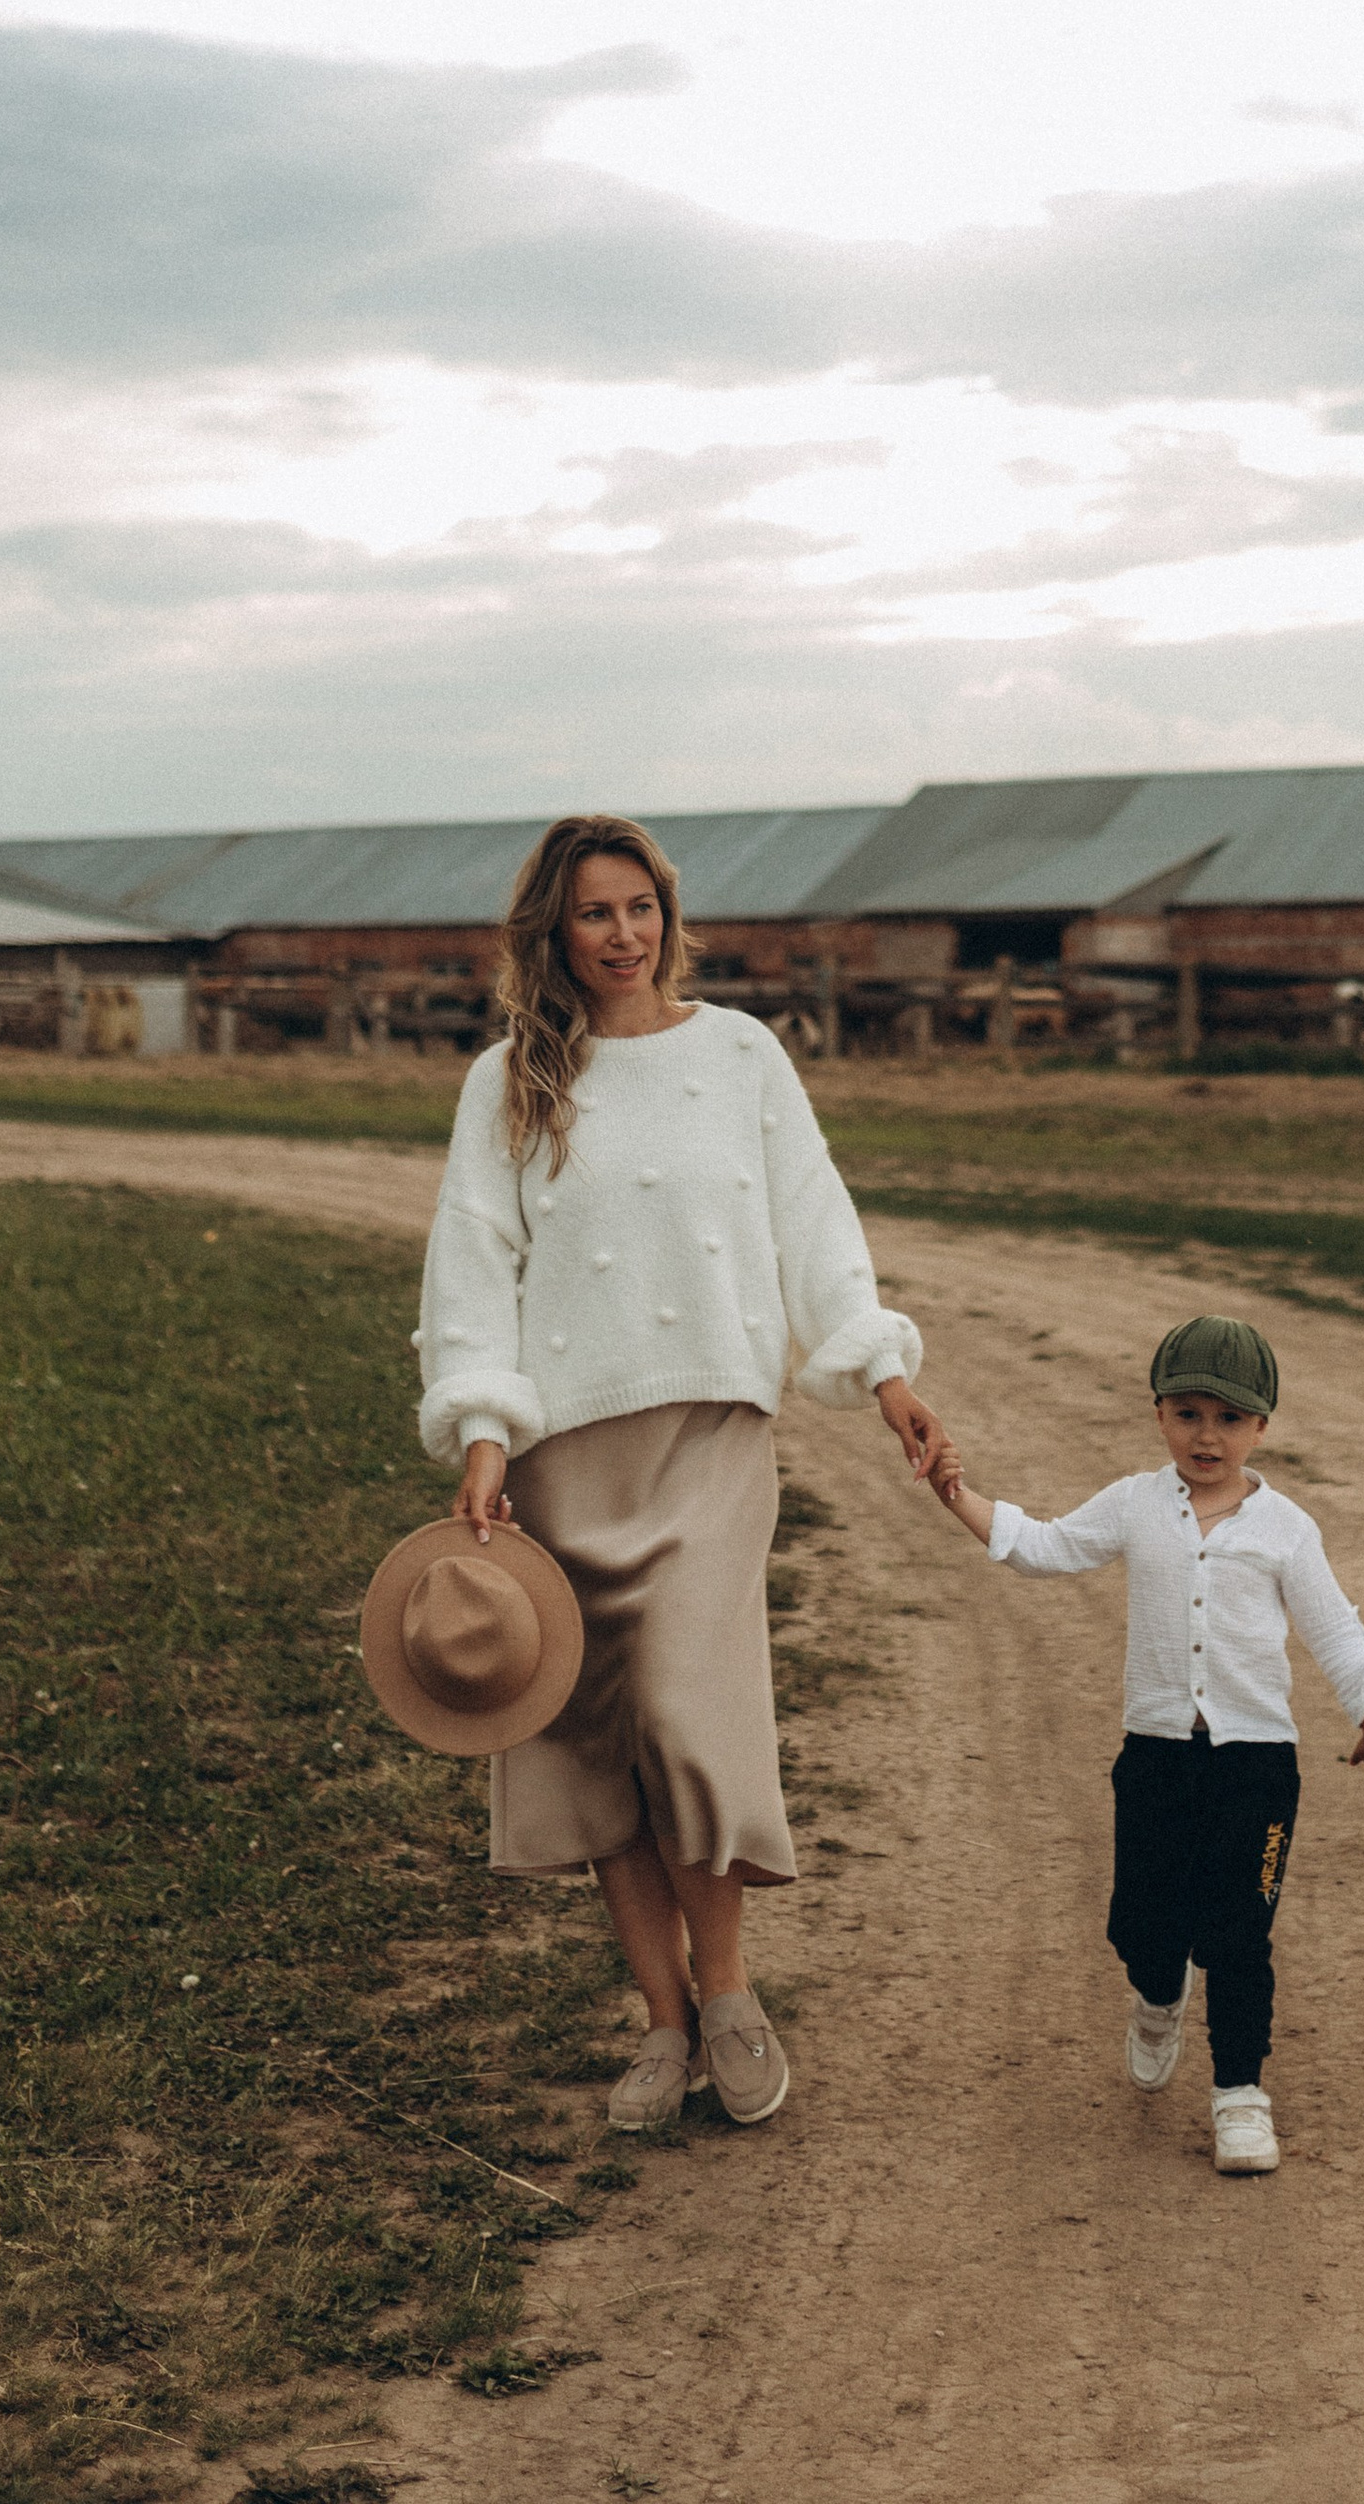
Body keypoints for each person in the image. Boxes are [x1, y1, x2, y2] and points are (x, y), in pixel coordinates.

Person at [414, 811, 946, 2135]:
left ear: (668, 914)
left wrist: (882, 1372)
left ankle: (730, 1995)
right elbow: (474, 1264)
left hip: (711, 1435)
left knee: (691, 1724)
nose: (621, 933)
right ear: (555, 930)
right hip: (564, 1457)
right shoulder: (511, 1082)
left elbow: (816, 1226)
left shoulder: (742, 1056)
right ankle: (661, 2027)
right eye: (594, 912)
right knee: (599, 1746)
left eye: (638, 906)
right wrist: (483, 1428)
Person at [926, 1314, 1364, 2176]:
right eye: (1187, 1414)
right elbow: (1043, 1546)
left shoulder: (1286, 1528)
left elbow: (1334, 1630)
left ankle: (1240, 2100)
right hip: (1156, 1760)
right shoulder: (1136, 1504)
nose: (1206, 1436)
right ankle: (1157, 1993)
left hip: (1256, 1766)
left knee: (1238, 1933)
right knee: (1139, 1926)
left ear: (1261, 1426)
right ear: (1158, 1415)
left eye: (1228, 1418)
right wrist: (957, 1494)